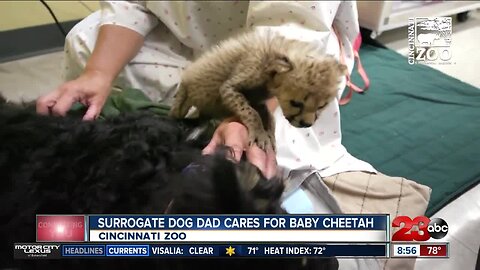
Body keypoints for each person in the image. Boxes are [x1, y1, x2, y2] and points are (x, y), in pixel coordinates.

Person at [36, 2, 431, 269]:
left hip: (276, 58)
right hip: (181, 44)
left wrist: (245, 117)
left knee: (266, 163)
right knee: (88, 41)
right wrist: (98, 73)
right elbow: (131, 4)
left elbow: (291, 28)